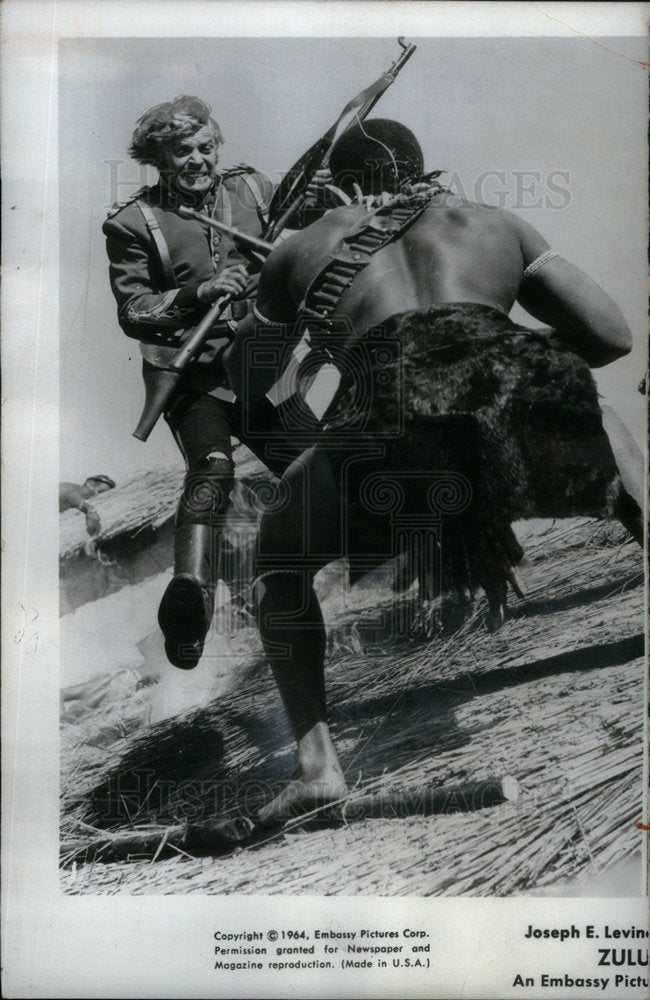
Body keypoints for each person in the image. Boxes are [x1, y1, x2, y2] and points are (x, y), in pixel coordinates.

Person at [225, 118, 644, 825]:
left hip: (383, 416)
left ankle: (319, 767)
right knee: (599, 412)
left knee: (279, 558)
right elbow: (610, 336)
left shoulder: (302, 245)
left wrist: (269, 314)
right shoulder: (492, 219)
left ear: (347, 185)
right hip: (506, 394)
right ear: (426, 170)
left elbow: (247, 381)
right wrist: (508, 346)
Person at [103, 96, 329, 671]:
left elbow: (305, 228)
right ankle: (191, 597)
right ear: (157, 157)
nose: (198, 160)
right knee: (212, 468)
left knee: (330, 469)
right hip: (191, 379)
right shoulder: (132, 222)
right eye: (183, 151)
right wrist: (194, 296)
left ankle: (411, 571)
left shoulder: (252, 189)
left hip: (262, 369)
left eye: (206, 148)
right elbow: (133, 310)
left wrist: (322, 196)